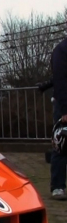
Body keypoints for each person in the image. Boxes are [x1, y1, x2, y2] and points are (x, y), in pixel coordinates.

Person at [49, 36, 67, 200]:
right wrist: (64, 111)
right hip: (64, 105)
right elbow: (60, 81)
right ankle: (58, 186)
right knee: (61, 145)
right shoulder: (62, 50)